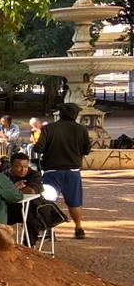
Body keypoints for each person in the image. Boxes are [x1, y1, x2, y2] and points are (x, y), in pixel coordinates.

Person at [36, 101, 92, 238]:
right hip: (73, 172)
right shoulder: (81, 129)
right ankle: (79, 228)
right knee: (74, 202)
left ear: (60, 114)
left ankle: (49, 230)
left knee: (48, 201)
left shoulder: (49, 128)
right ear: (75, 114)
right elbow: (87, 150)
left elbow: (39, 148)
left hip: (51, 172)